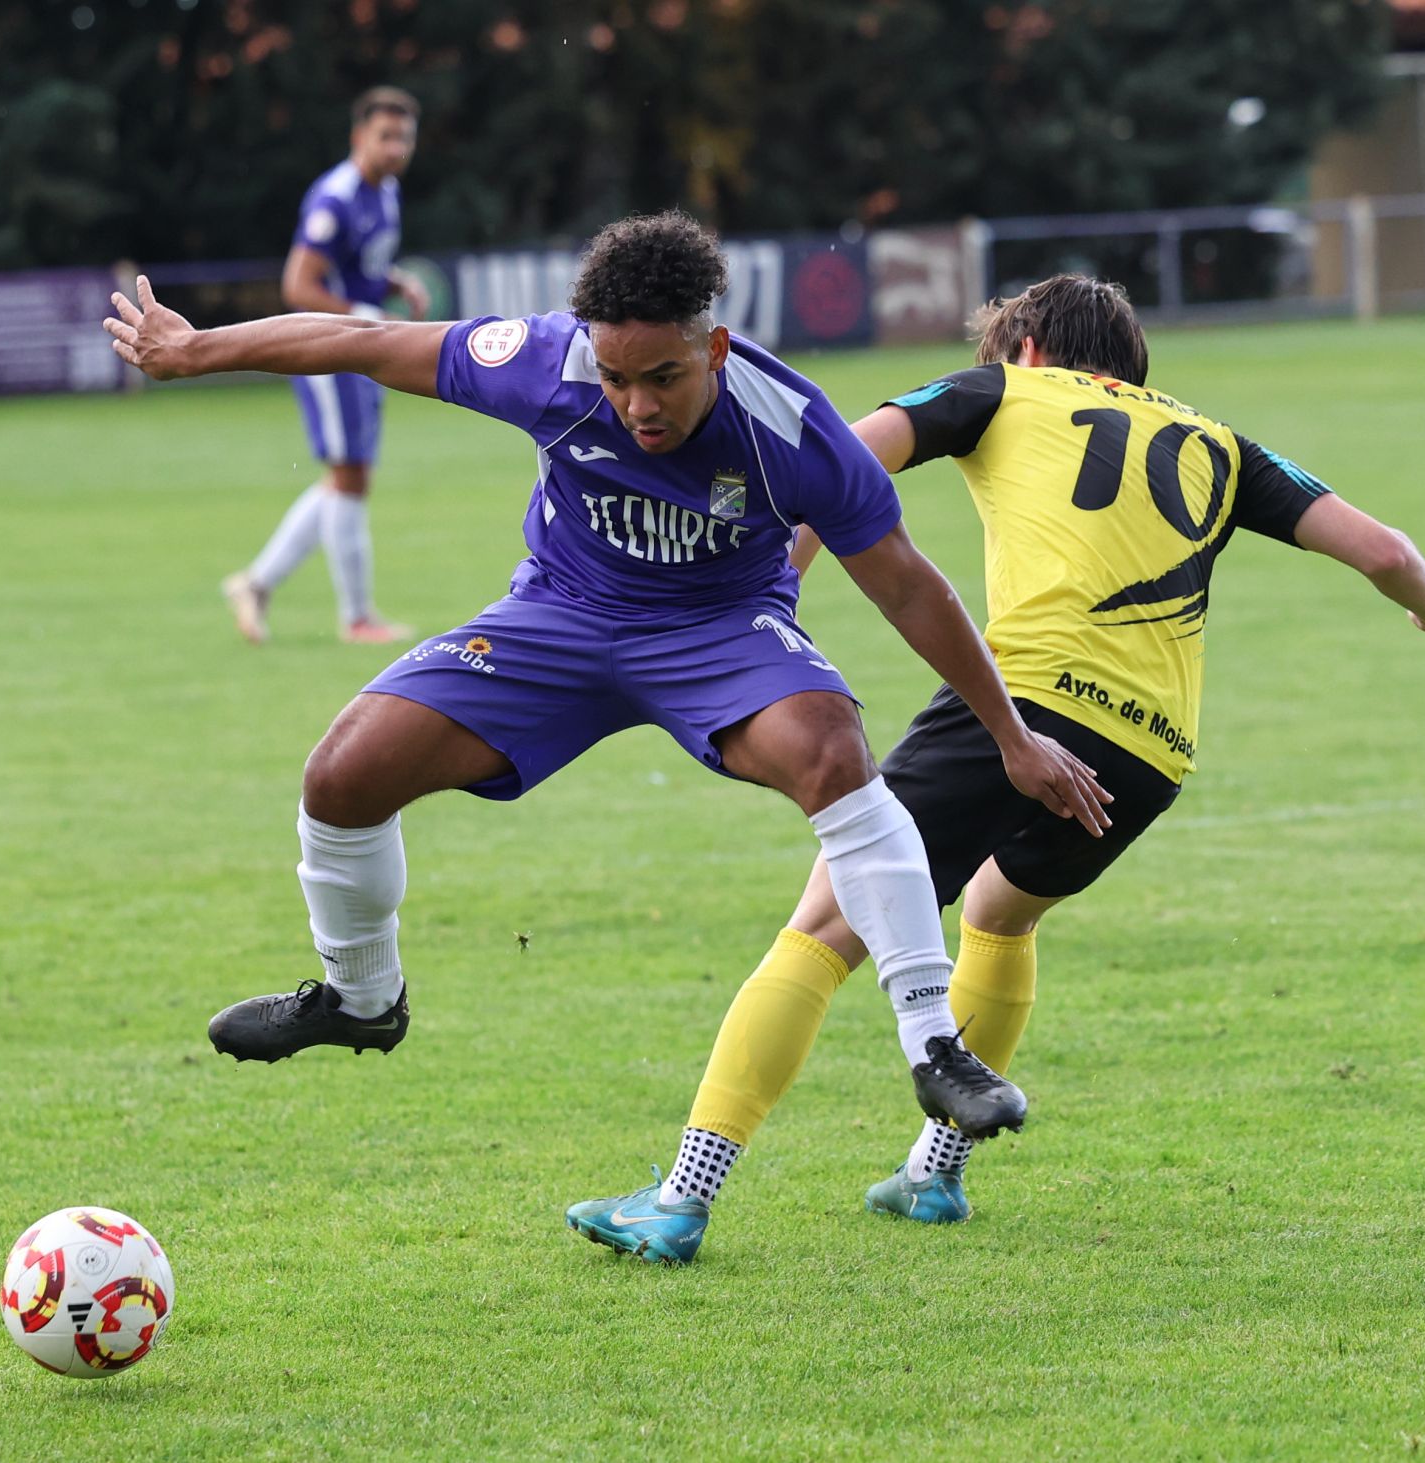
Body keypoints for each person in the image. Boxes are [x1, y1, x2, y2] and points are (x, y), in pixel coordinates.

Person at [107, 214, 1113, 1196]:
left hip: (718, 630)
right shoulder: (543, 361)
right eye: (616, 376)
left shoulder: (792, 427)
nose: (636, 403)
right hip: (561, 616)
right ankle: (361, 997)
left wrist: (1010, 737)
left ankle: (936, 1044)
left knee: (831, 749)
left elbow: (907, 586)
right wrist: (199, 350)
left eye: (663, 376)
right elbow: (366, 341)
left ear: (714, 346)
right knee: (342, 774)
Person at [567, 273, 1425, 1262]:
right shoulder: (1221, 444)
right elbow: (1385, 546)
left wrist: (768, 585)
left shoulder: (1004, 393)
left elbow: (832, 460)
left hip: (1023, 707)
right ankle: (934, 1173)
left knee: (827, 923)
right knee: (999, 912)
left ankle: (681, 1195)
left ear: (1029, 349)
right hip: (1151, 752)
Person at [221, 86, 430, 646]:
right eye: (385, 136)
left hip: (361, 346)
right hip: (329, 351)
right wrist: (363, 310)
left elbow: (358, 267)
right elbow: (299, 285)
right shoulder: (334, 198)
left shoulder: (385, 192)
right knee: (349, 477)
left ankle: (256, 584)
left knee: (346, 478)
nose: (395, 148)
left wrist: (394, 283)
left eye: (404, 137)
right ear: (358, 137)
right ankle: (357, 618)